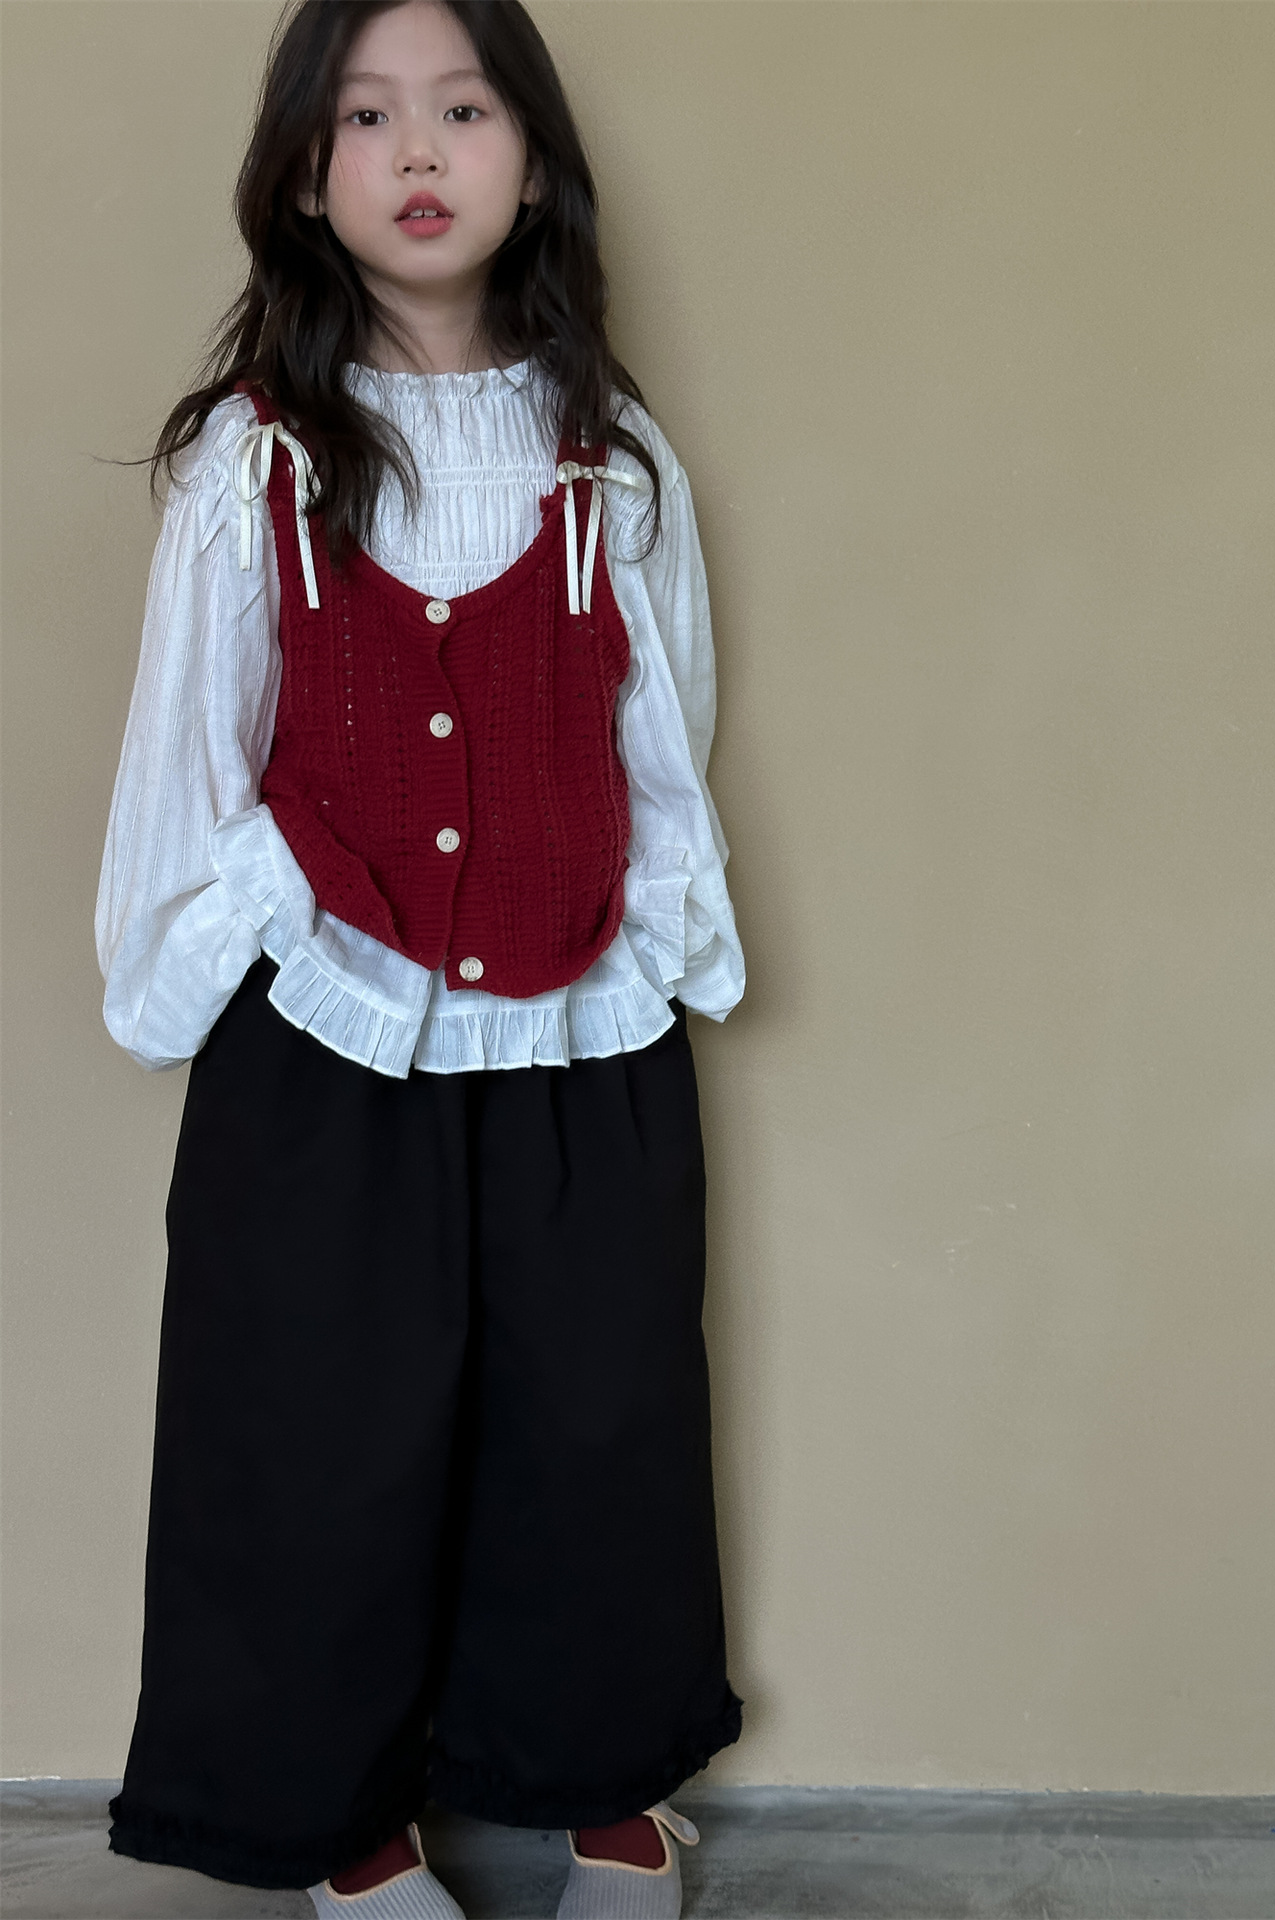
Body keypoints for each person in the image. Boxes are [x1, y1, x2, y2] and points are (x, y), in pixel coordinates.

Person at [93, 2, 744, 1915]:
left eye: (463, 108)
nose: (419, 151)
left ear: (531, 157)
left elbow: (664, 734)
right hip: (329, 1025)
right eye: (367, 117)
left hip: (578, 1019)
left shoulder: (608, 463)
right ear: (307, 176)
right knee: (319, 1424)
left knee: (596, 1411)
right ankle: (342, 1823)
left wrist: (669, 940)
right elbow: (186, 753)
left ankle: (599, 1777)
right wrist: (191, 959)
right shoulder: (252, 466)